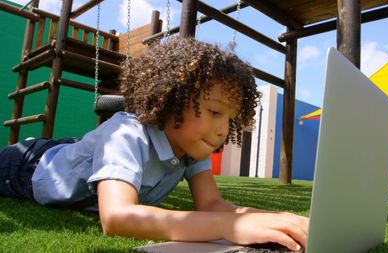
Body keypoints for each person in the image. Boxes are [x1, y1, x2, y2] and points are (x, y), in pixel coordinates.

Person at [0, 37, 308, 251]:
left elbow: (212, 205)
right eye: (214, 112)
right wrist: (229, 228)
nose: (222, 130)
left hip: (74, 158)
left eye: (229, 119)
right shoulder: (126, 134)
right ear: (173, 102)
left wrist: (274, 218)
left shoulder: (191, 147)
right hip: (28, 168)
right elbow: (118, 217)